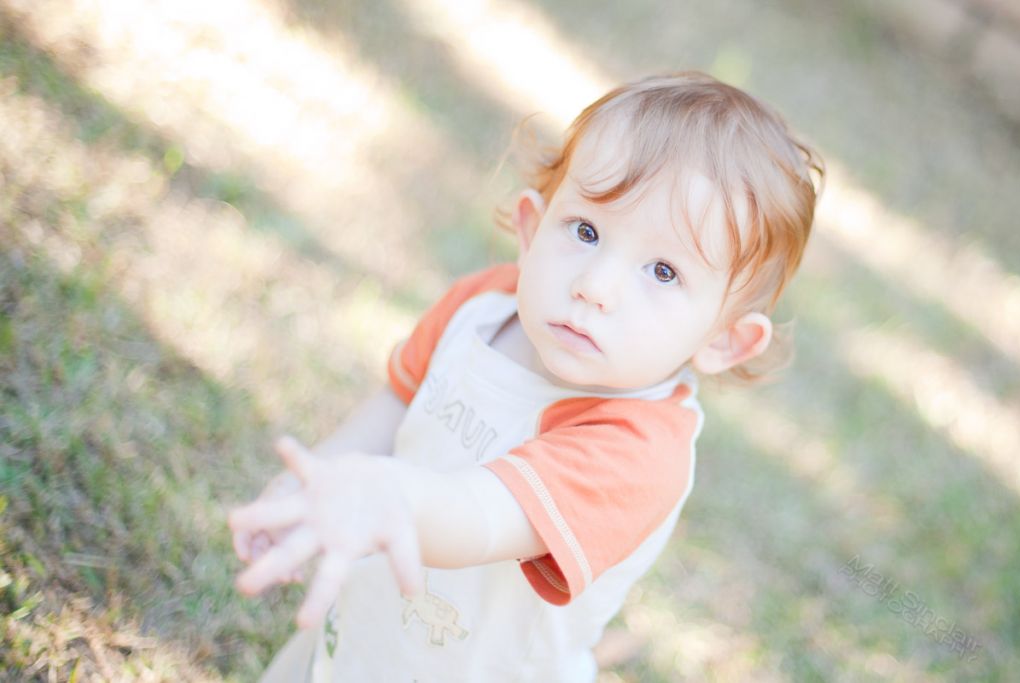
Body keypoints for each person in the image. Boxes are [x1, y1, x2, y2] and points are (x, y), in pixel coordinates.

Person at [229, 71, 824, 682]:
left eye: (664, 272)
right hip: (360, 634)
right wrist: (315, 486)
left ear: (724, 338)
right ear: (531, 229)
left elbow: (481, 515)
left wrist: (383, 496)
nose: (595, 286)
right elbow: (393, 408)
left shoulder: (638, 450)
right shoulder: (480, 308)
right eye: (587, 232)